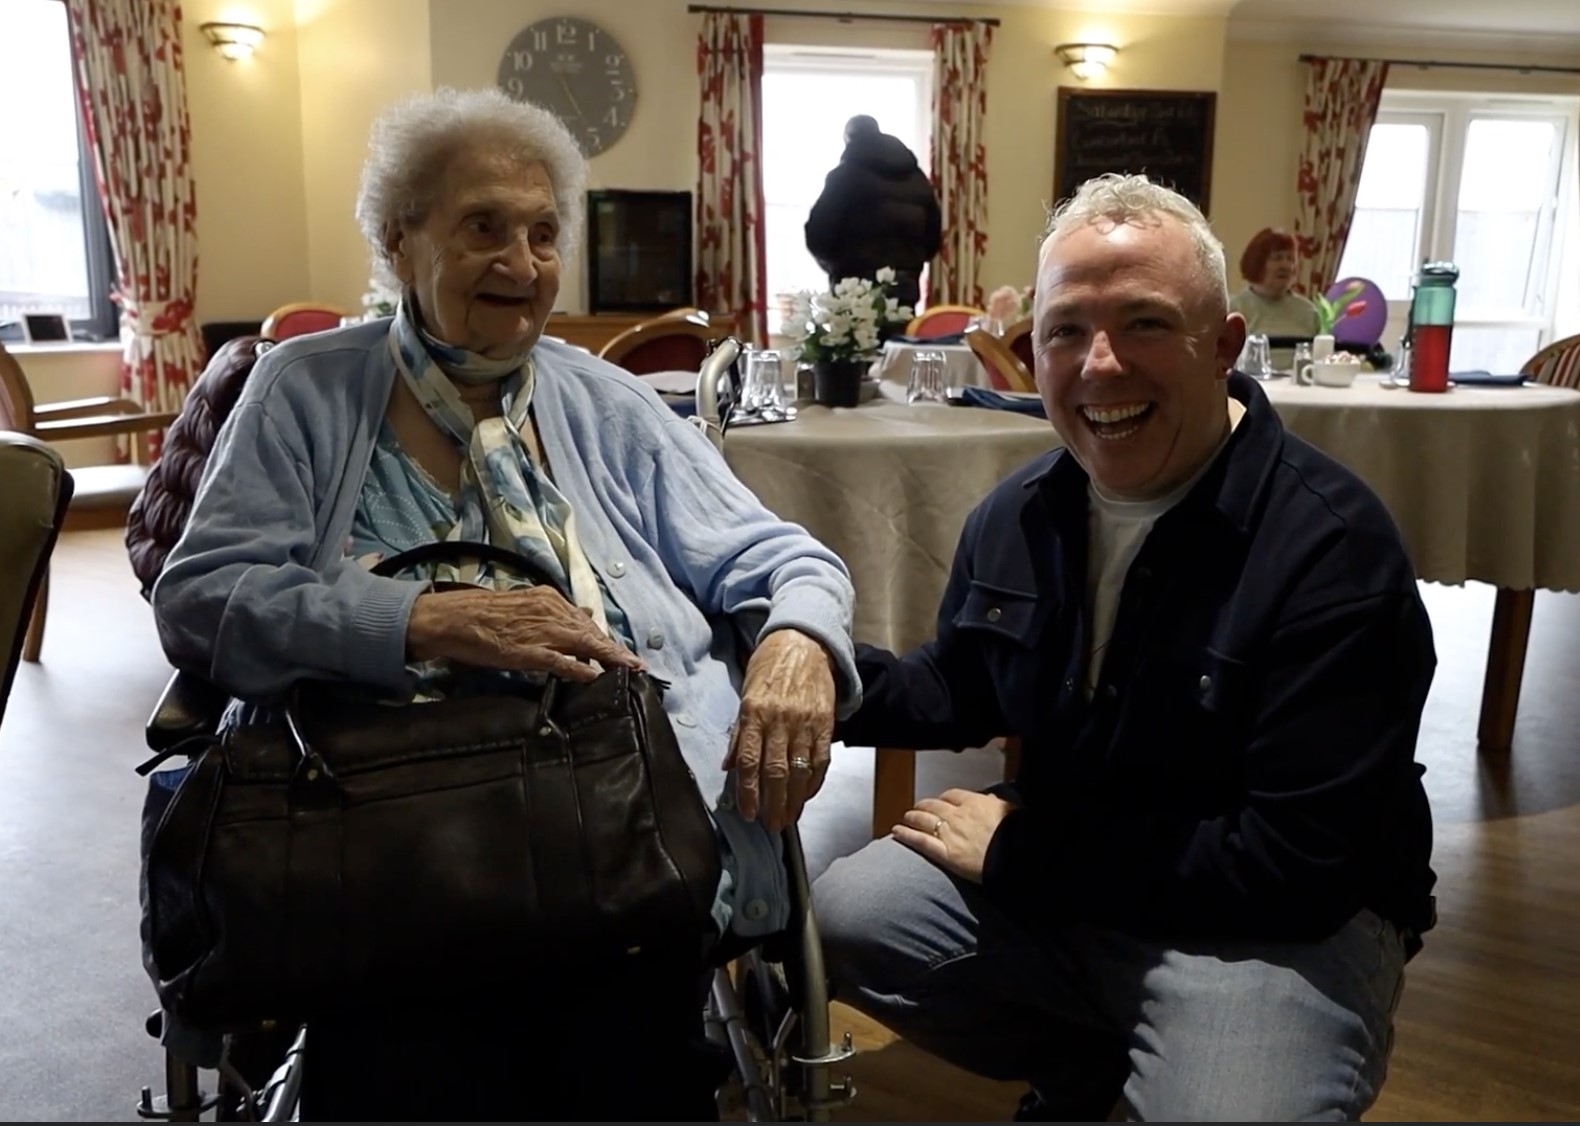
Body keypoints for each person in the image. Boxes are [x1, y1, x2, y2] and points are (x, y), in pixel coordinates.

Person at [151, 86, 860, 1121]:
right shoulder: (303, 388)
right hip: (384, 824)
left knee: (626, 1033)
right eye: (482, 226)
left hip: (611, 816)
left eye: (541, 233)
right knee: (417, 1030)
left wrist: (797, 638)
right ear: (398, 239)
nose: (522, 266)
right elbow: (203, 597)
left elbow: (780, 556)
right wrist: (421, 620)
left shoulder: (603, 397)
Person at [812, 174, 1436, 1121]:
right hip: (1087, 867)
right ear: (1034, 350)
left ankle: (1150, 1060)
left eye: (1145, 324)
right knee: (845, 921)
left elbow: (1296, 868)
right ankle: (1094, 1068)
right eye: (1065, 330)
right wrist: (810, 669)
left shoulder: (1332, 549)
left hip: (1282, 924)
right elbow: (964, 680)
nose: (1099, 365)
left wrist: (1025, 856)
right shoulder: (1022, 512)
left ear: (1223, 346)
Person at [804, 114, 941, 310]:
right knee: (900, 340)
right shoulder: (918, 180)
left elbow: (818, 234)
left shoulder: (844, 176)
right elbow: (932, 239)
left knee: (853, 339)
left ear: (848, 139)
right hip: (904, 289)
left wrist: (836, 265)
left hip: (853, 289)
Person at [1230, 225, 1321, 339]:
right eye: (1277, 258)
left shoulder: (1308, 311)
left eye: (1290, 259)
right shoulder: (1236, 309)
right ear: (1257, 262)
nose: (1286, 266)